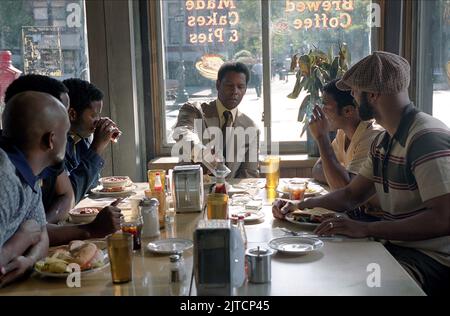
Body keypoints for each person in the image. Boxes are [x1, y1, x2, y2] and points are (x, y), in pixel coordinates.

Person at [273, 51, 450, 295]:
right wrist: (300, 204)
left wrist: (366, 229)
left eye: (355, 91)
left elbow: (444, 218)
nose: (354, 99)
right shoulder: (386, 140)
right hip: (395, 246)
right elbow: (350, 195)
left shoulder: (425, 138)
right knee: (327, 275)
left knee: (360, 287)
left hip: (432, 259)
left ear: (374, 95)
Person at [0, 91, 68, 287]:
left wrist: (29, 261)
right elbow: (32, 233)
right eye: (66, 132)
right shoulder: (4, 178)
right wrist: (20, 241)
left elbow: (41, 234)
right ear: (51, 140)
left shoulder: (29, 171)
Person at [4, 74, 74, 223]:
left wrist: (40, 229)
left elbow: (68, 195)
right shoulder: (6, 178)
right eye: (62, 111)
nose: (69, 119)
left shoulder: (32, 168)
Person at [173, 61, 259, 179]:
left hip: (231, 194)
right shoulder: (194, 110)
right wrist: (203, 153)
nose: (235, 91)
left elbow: (249, 175)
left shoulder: (251, 128)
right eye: (229, 85)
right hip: (194, 191)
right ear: (218, 85)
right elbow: (182, 132)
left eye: (240, 87)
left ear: (245, 90)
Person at [310, 79, 384, 191]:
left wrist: (321, 138)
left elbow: (348, 192)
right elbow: (317, 169)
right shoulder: (342, 133)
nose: (322, 111)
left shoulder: (371, 137)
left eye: (326, 107)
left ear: (348, 111)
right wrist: (339, 177)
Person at [62, 78, 120, 203]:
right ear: (72, 114)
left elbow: (92, 184)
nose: (98, 121)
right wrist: (96, 148)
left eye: (99, 115)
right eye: (94, 115)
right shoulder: (55, 145)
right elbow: (70, 195)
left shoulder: (80, 138)